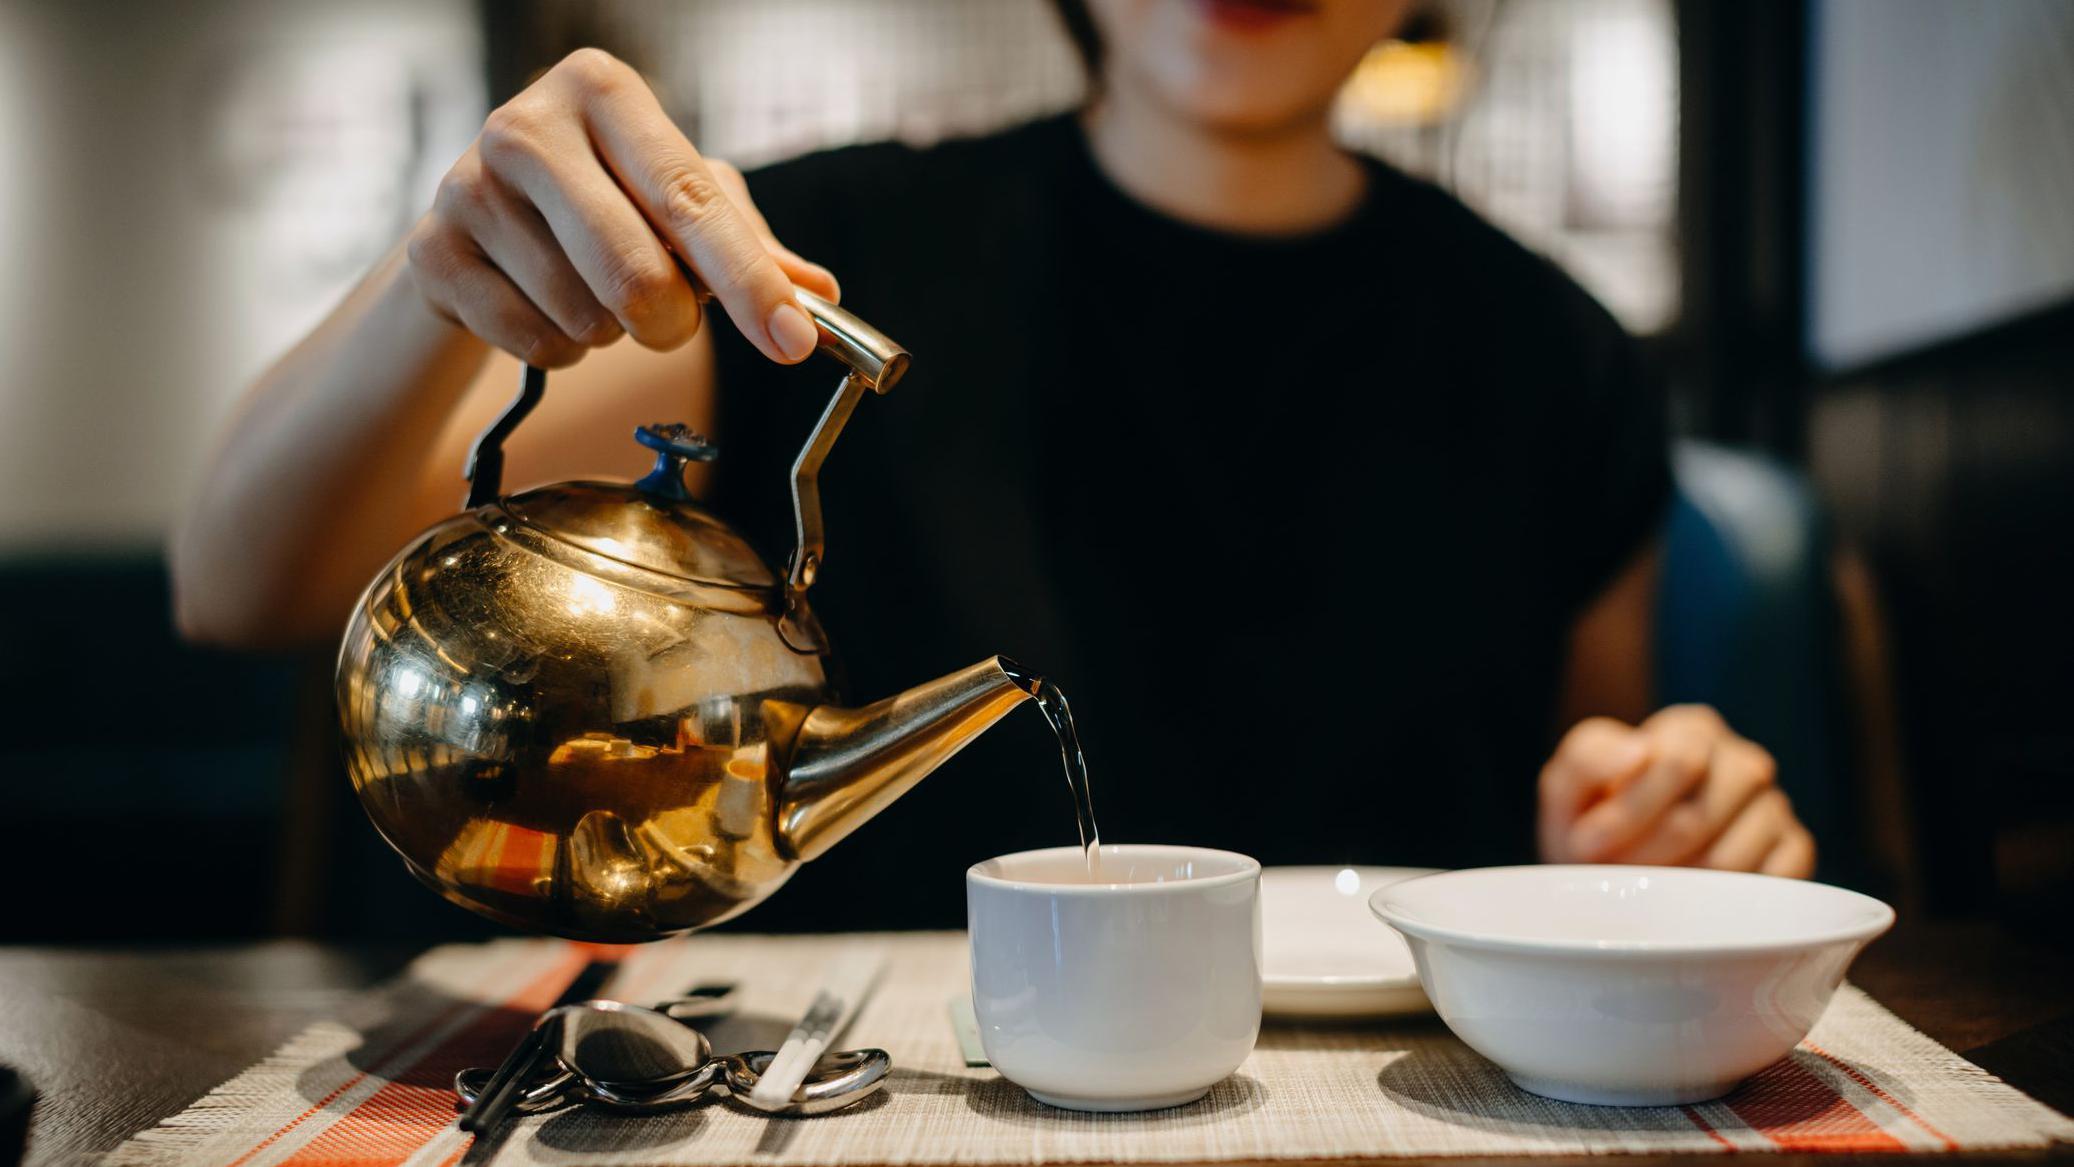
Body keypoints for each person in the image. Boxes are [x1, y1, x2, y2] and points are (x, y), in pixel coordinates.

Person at [171, 0, 1813, 930]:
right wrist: (434, 278)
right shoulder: (800, 271)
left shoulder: (1549, 345)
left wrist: (1646, 830)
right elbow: (247, 583)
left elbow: (1585, 774)